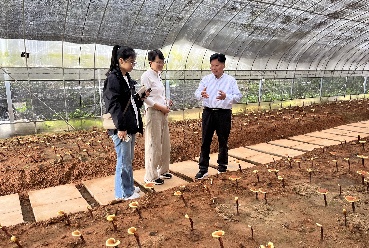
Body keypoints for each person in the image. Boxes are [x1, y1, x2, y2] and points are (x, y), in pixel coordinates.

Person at [103, 45, 150, 200]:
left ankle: (129, 188)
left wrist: (140, 98)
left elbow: (129, 103)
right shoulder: (113, 78)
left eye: (134, 62)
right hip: (121, 127)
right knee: (123, 161)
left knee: (128, 160)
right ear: (121, 60)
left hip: (129, 125)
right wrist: (121, 128)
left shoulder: (125, 77)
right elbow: (114, 105)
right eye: (131, 61)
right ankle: (123, 193)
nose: (132, 65)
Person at [194, 53, 242, 179]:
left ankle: (222, 167)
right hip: (208, 112)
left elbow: (238, 97)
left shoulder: (230, 81)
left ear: (223, 65)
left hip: (223, 114)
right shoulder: (206, 79)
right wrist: (201, 94)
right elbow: (197, 93)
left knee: (223, 140)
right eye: (212, 66)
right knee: (205, 141)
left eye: (217, 65)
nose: (214, 68)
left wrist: (227, 97)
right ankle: (203, 169)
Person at [141, 49, 172, 185]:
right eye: (158, 62)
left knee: (165, 143)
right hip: (153, 112)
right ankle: (151, 175)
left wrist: (166, 102)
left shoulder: (158, 75)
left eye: (162, 62)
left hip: (163, 112)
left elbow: (158, 95)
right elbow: (145, 98)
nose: (160, 64)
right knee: (154, 144)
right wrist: (160, 107)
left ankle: (163, 170)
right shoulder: (146, 76)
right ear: (150, 62)